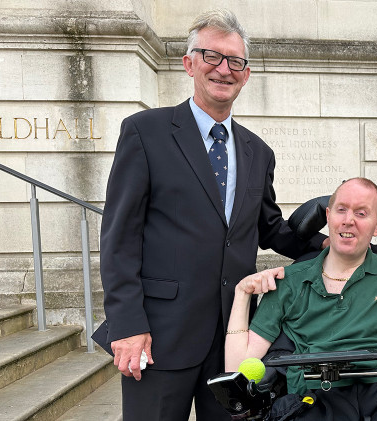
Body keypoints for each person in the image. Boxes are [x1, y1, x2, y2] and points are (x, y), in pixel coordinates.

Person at [97, 9, 325, 421]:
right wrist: (127, 325)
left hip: (233, 338)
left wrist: (329, 242)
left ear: (246, 73)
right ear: (189, 63)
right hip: (159, 335)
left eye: (234, 61)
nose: (224, 69)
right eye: (211, 56)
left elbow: (269, 227)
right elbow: (119, 238)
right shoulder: (145, 132)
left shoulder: (258, 151)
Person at [225, 177, 377, 421]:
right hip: (319, 392)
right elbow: (238, 369)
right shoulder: (289, 280)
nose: (348, 220)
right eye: (341, 210)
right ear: (328, 216)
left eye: (361, 213)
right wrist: (242, 294)